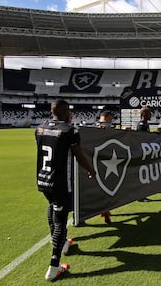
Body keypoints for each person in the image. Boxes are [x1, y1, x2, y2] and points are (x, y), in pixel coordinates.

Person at [35, 100, 95, 281]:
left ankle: (62, 243)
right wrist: (90, 170)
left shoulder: (40, 128)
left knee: (52, 207)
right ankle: (54, 266)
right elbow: (79, 155)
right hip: (60, 182)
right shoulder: (70, 131)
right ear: (65, 112)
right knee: (61, 220)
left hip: (42, 178)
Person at [96, 111, 114, 224]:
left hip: (94, 160)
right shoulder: (108, 127)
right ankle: (105, 212)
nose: (112, 120)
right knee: (107, 187)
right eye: (111, 118)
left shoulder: (93, 125)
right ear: (107, 117)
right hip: (108, 161)